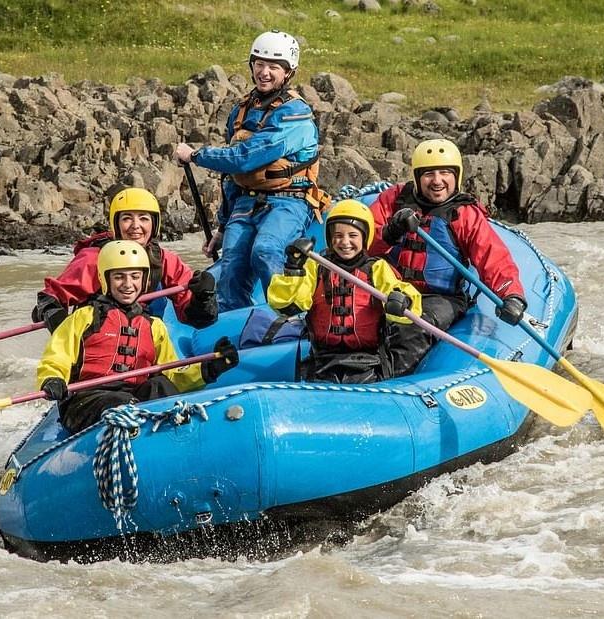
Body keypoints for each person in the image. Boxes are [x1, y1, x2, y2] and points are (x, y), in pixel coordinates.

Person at [174, 30, 330, 311]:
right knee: (232, 262)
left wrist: (196, 155)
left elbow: (245, 158)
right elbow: (233, 178)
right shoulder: (242, 110)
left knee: (265, 250)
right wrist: (222, 226)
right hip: (247, 200)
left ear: (288, 72)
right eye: (259, 64)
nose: (265, 72)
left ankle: (290, 315)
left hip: (289, 200)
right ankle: (235, 326)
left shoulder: (296, 114)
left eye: (274, 67)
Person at [36, 240, 239, 434]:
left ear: (144, 280)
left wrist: (209, 367)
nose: (128, 284)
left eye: (135, 276)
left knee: (161, 386)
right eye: (119, 277)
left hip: (132, 396)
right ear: (104, 278)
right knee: (121, 402)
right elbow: (57, 356)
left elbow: (172, 373)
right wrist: (52, 379)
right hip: (87, 399)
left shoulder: (154, 326)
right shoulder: (84, 317)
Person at [368, 138, 527, 361]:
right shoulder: (393, 200)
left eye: (445, 173)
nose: (437, 181)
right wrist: (390, 232)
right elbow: (362, 243)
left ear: (456, 176)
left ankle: (397, 385)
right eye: (429, 174)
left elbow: (493, 257)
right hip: (390, 289)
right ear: (417, 177)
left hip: (439, 297)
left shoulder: (464, 214)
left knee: (413, 326)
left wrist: (511, 296)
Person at [267, 200, 423, 384]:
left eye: (353, 235)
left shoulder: (377, 268)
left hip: (368, 363)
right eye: (338, 235)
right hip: (322, 362)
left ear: (364, 238)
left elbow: (407, 305)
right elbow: (285, 305)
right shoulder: (316, 267)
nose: (345, 242)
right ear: (330, 238)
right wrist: (293, 269)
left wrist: (403, 300)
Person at [32, 187, 217, 332]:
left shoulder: (165, 260)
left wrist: (203, 297)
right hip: (96, 349)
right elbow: (50, 299)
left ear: (154, 225)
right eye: (127, 218)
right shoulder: (93, 258)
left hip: (142, 344)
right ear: (116, 224)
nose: (136, 226)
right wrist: (59, 325)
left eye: (144, 219)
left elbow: (197, 318)